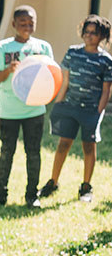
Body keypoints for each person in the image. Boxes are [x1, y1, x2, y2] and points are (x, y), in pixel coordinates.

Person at [0, 5, 54, 208]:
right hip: (9, 111)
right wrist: (9, 70)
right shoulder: (3, 47)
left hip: (34, 110)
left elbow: (51, 77)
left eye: (31, 22)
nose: (27, 26)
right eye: (22, 23)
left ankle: (32, 195)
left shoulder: (43, 47)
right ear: (14, 24)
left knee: (33, 153)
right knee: (7, 152)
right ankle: (0, 195)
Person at [39, 15, 112, 203]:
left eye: (93, 33)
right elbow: (65, 82)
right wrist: (58, 104)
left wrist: (98, 112)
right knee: (63, 144)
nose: (89, 36)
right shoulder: (73, 53)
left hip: (90, 112)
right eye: (86, 32)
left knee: (89, 147)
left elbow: (106, 90)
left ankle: (86, 186)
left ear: (102, 36)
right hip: (69, 107)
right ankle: (53, 182)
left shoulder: (106, 60)